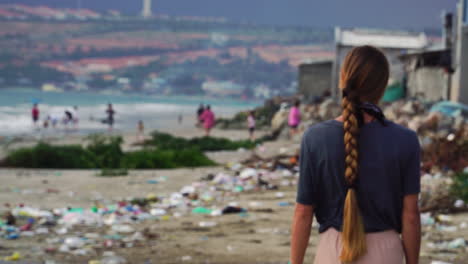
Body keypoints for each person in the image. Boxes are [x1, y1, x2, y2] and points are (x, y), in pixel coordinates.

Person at [290, 46, 421, 264]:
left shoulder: (315, 138)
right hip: (386, 253)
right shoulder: (405, 140)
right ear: (382, 85)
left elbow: (303, 212)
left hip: (332, 251)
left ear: (343, 80)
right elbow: (411, 216)